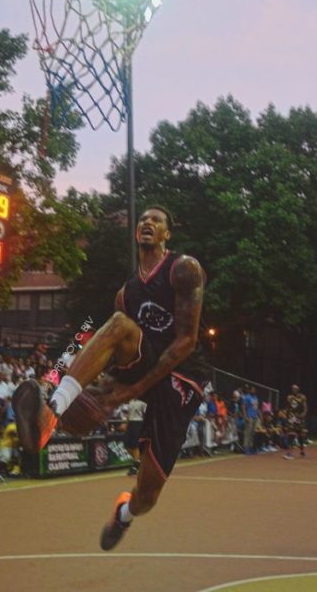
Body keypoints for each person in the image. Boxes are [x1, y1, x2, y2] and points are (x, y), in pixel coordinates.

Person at [12, 205, 209, 551]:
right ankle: (50, 414)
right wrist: (73, 385)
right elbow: (102, 340)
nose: (148, 223)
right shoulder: (126, 294)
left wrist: (132, 389)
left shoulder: (183, 269)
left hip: (182, 379)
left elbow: (187, 341)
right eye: (143, 219)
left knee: (147, 494)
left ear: (167, 235)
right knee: (117, 325)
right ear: (137, 233)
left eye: (157, 220)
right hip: (147, 363)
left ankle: (124, 515)